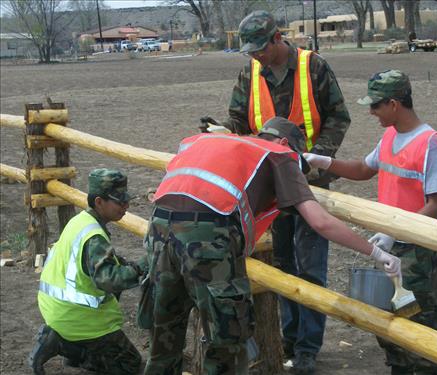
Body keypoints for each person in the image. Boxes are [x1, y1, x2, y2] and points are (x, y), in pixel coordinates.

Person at [142, 117, 400, 375]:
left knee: (165, 332)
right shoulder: (279, 154)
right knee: (226, 342)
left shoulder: (215, 141)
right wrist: (376, 252)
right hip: (206, 239)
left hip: (158, 228)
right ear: (286, 142)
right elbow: (320, 222)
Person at [200, 10, 351, 373]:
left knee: (311, 269)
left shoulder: (313, 67)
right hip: (269, 183)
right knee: (283, 264)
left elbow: (338, 115)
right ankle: (288, 336)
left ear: (277, 39)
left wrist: (319, 158)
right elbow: (239, 119)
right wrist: (221, 130)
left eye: (260, 50)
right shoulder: (249, 72)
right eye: (250, 52)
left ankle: (307, 350)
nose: (256, 57)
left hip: (310, 183)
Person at [304, 70, 437, 375]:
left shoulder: (430, 143)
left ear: (394, 104)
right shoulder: (390, 136)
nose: (370, 112)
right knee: (388, 318)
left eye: (376, 106)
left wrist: (395, 233)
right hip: (391, 246)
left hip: (417, 253)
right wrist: (325, 162)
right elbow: (363, 169)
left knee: (420, 322)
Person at [29, 169, 146, 375]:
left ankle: (68, 346)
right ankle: (68, 346)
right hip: (81, 318)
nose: (126, 206)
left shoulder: (80, 222)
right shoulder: (94, 237)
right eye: (119, 201)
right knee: (131, 365)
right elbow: (109, 281)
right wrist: (142, 267)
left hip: (55, 308)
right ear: (99, 202)